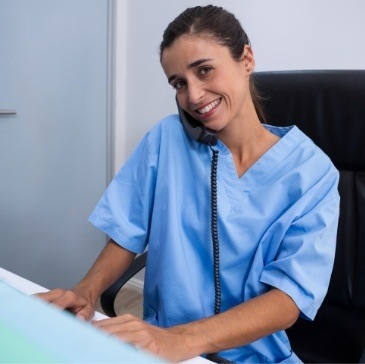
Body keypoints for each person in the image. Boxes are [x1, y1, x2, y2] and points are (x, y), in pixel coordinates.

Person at [38, 5, 340, 363]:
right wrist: (87, 292)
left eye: (205, 70)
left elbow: (289, 298)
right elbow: (125, 232)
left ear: (246, 59)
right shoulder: (165, 139)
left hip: (252, 356)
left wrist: (180, 341)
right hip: (160, 346)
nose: (193, 96)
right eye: (179, 83)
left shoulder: (312, 173)